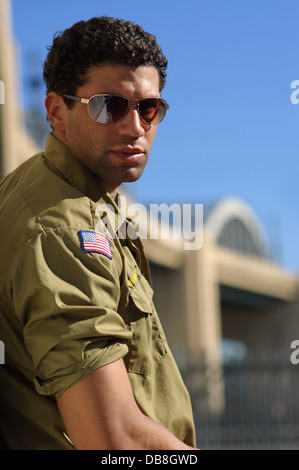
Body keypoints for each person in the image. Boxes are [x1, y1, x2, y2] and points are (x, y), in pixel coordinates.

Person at [0, 16, 197, 450]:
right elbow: (113, 439)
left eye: (149, 109)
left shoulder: (75, 202)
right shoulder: (60, 228)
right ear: (56, 111)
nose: (135, 128)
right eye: (110, 107)